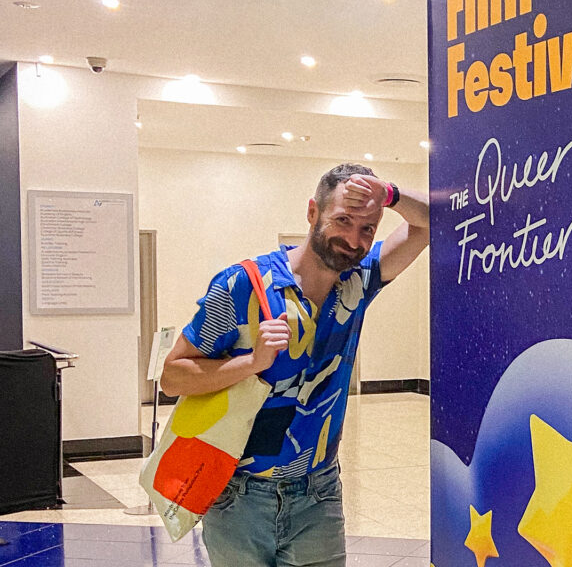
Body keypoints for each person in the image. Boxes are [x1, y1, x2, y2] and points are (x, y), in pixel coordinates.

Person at [160, 163, 429, 567]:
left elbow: (426, 224)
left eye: (367, 228)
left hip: (318, 496)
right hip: (239, 497)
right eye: (343, 220)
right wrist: (251, 362)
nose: (354, 239)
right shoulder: (240, 285)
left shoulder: (358, 281)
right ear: (312, 213)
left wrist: (388, 194)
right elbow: (172, 377)